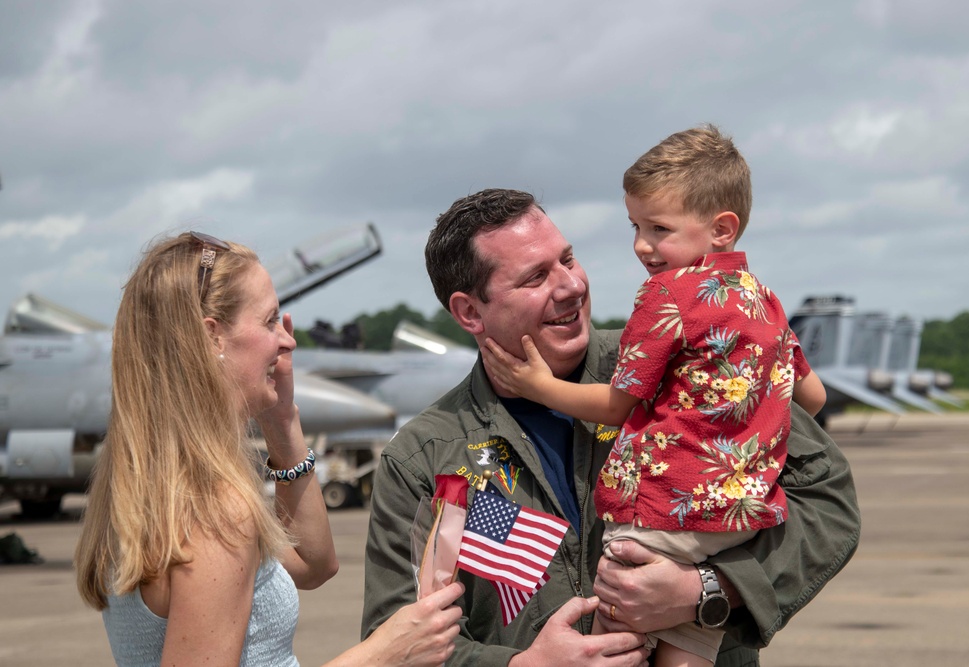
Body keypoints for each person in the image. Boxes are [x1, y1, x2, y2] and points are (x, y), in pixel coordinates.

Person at [361, 188, 861, 667]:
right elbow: (393, 638)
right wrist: (522, 666)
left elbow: (828, 506)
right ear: (470, 312)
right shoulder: (424, 459)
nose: (572, 286)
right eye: (535, 278)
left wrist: (707, 589)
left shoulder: (688, 360)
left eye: (568, 259)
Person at [480, 125, 826, 667]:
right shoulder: (766, 300)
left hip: (662, 513)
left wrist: (539, 386)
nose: (642, 245)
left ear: (721, 229)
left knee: (614, 644)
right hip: (736, 522)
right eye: (636, 226)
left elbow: (618, 406)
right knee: (687, 641)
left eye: (658, 228)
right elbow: (814, 397)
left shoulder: (667, 294)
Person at [75, 231, 464, 667]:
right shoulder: (214, 513)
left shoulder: (158, 493)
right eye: (269, 321)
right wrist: (380, 655)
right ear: (213, 338)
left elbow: (313, 564)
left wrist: (280, 420)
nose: (288, 341)